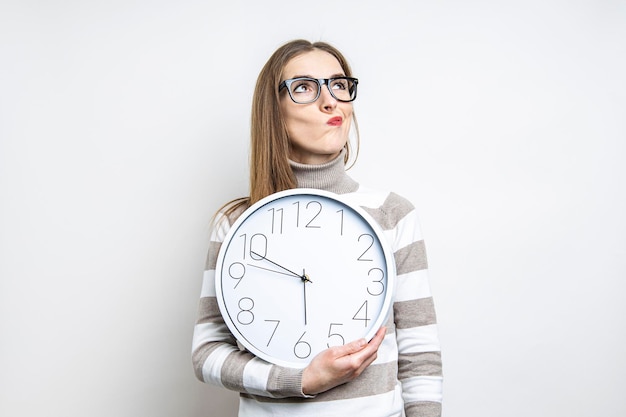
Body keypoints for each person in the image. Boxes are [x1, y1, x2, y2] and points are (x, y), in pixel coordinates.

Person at [191, 39, 443, 417]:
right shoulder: (237, 223)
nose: (331, 101)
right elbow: (206, 352)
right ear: (272, 111)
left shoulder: (392, 214)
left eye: (339, 85)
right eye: (305, 87)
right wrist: (301, 381)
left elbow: (420, 357)